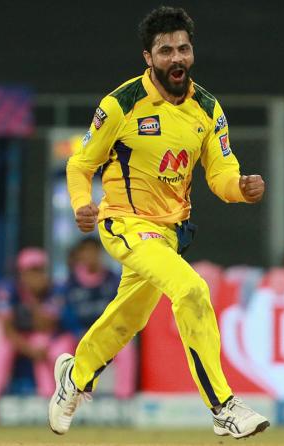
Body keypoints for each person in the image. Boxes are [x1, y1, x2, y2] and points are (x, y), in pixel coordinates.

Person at [48, 6, 269, 439]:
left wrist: (239, 187)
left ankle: (74, 377)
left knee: (127, 318)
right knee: (191, 289)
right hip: (124, 224)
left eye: (183, 48)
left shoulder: (207, 108)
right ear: (148, 58)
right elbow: (80, 164)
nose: (177, 58)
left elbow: (221, 172)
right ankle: (223, 406)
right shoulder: (121, 104)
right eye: (165, 51)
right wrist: (80, 204)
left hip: (167, 235)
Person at [0, 248, 75, 398]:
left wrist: (34, 298)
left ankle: (51, 399)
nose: (37, 275)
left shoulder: (54, 289)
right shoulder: (8, 288)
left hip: (40, 336)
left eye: (40, 270)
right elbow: (7, 328)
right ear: (21, 272)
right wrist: (29, 349)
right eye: (32, 271)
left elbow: (46, 325)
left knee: (44, 345)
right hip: (14, 337)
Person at [60, 238, 136, 398]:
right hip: (78, 335)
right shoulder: (69, 282)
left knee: (126, 349)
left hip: (107, 336)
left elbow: (122, 310)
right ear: (80, 255)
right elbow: (64, 313)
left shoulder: (113, 279)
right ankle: (64, 397)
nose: (90, 256)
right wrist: (77, 331)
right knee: (59, 348)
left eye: (94, 251)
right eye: (86, 252)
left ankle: (124, 399)